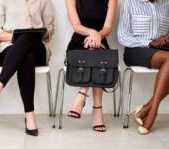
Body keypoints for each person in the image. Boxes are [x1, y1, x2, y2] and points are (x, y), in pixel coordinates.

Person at [0, 0, 54, 136]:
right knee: (26, 56)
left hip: (38, 48)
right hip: (8, 49)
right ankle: (30, 116)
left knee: (28, 39)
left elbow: (50, 31)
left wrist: (36, 33)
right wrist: (17, 36)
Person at [118, 0, 169, 135]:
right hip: (136, 49)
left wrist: (166, 39)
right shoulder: (129, 3)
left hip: (162, 50)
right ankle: (152, 112)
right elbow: (122, 36)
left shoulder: (167, 3)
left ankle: (146, 108)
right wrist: (150, 43)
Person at [66, 0, 117, 132]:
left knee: (97, 54)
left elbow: (107, 28)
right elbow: (76, 26)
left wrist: (97, 35)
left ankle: (82, 94)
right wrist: (93, 33)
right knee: (98, 58)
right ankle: (97, 110)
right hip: (78, 43)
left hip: (100, 41)